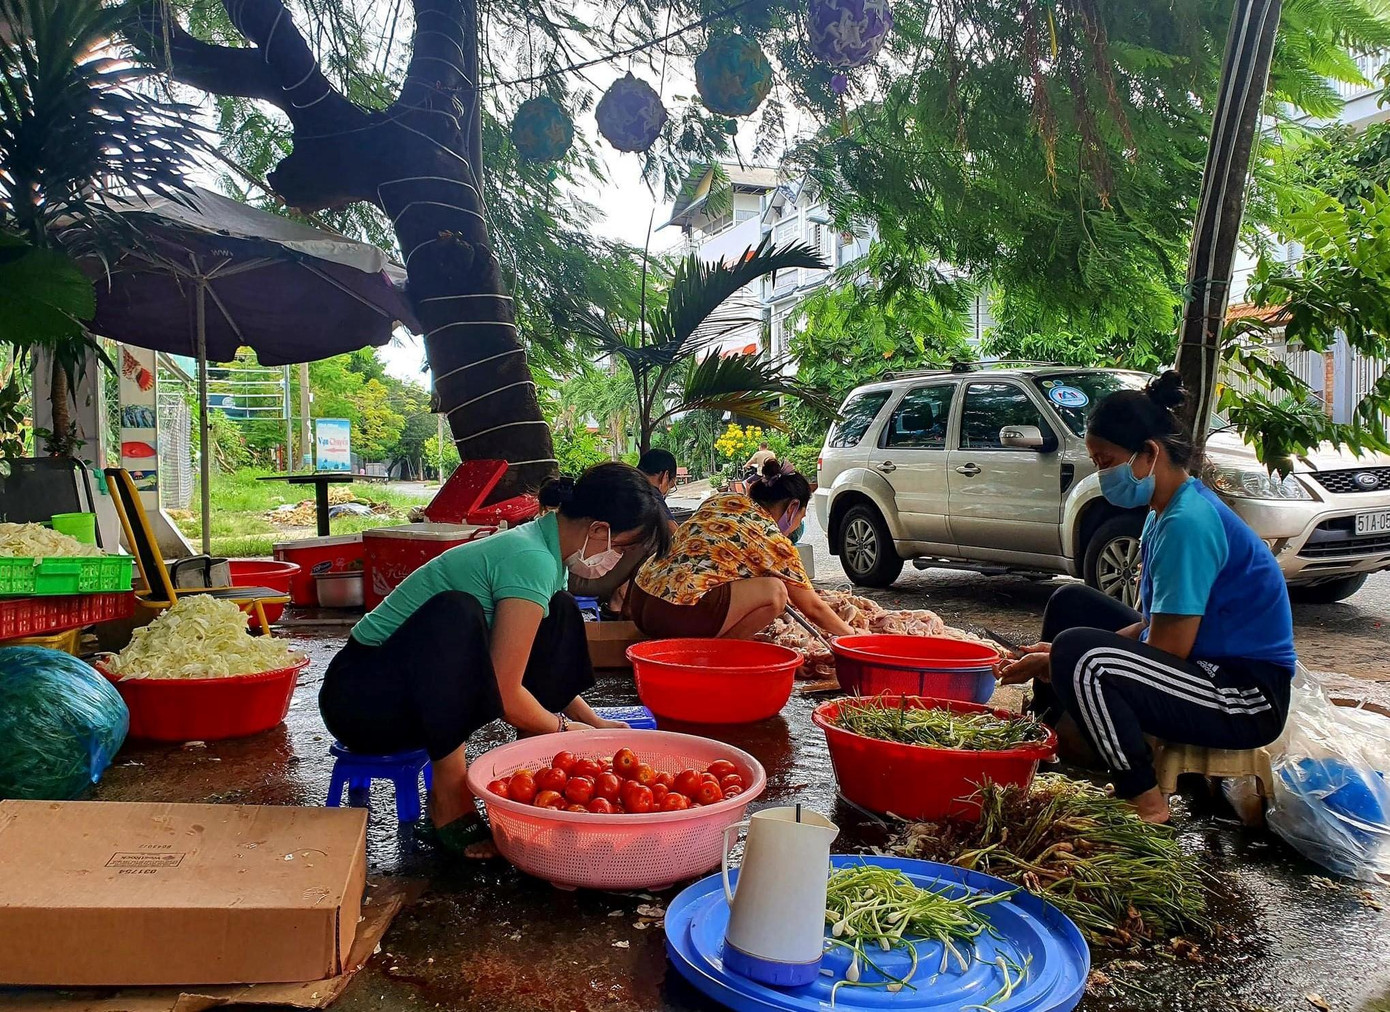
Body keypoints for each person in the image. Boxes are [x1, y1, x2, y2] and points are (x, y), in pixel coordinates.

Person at [318, 462, 671, 854]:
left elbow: (529, 656)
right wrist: (564, 729)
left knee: (561, 610)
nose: (615, 558)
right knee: (456, 611)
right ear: (600, 530)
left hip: (421, 693)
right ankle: (449, 793)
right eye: (622, 548)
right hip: (364, 699)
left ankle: (542, 761)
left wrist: (593, 723)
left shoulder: (544, 551)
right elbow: (505, 690)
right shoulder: (530, 557)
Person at [997, 371, 1296, 823]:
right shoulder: (1164, 512)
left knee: (1084, 656)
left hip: (1243, 696)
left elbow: (1169, 648)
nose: (1102, 474)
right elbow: (1153, 624)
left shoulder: (1187, 523)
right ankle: (1051, 737)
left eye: (1106, 461)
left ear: (1149, 454)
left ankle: (1146, 801)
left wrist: (1061, 659)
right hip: (1204, 669)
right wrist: (1056, 653)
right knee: (1071, 605)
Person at [630, 458, 854, 640]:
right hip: (672, 615)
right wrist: (852, 636)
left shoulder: (722, 499)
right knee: (775, 592)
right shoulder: (772, 539)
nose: (796, 525)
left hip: (641, 600)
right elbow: (813, 607)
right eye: (801, 517)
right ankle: (717, 655)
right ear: (793, 507)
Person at [569, 449, 681, 611]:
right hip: (582, 577)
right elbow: (675, 536)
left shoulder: (626, 486)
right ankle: (620, 603)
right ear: (664, 476)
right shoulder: (647, 495)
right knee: (659, 541)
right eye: (671, 485)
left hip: (571, 569)